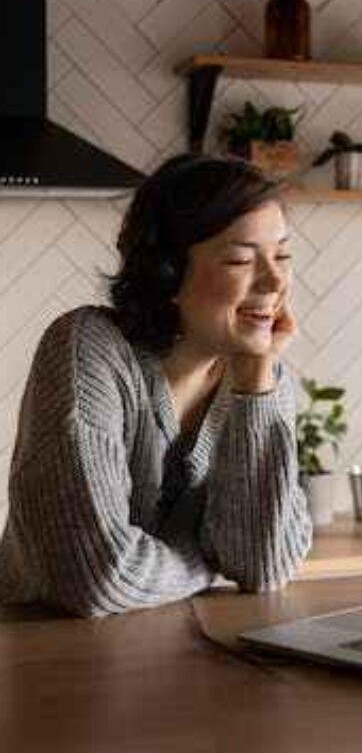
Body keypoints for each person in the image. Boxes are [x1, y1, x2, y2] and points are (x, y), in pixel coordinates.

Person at [0, 154, 312, 617]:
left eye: (282, 255)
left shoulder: (262, 379)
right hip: (42, 651)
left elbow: (262, 569)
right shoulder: (88, 348)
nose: (274, 280)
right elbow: (99, 578)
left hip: (174, 650)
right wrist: (205, 559)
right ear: (167, 271)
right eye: (240, 259)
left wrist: (255, 386)